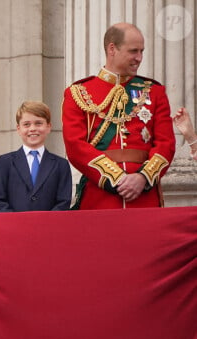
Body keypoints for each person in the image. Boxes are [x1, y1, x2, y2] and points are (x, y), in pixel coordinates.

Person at [62, 22, 176, 209]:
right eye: (133, 51)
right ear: (112, 49)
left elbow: (166, 144)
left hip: (144, 198)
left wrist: (142, 178)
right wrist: (115, 179)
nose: (139, 58)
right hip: (100, 198)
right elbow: (75, 146)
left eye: (142, 51)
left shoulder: (154, 91)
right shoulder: (78, 92)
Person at [0, 101, 72, 212]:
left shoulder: (61, 165)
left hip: (48, 227)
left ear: (48, 127)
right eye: (26, 124)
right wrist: (17, 223)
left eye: (38, 123)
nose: (32, 128)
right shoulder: (5, 162)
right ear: (18, 129)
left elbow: (63, 202)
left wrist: (43, 224)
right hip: (14, 226)